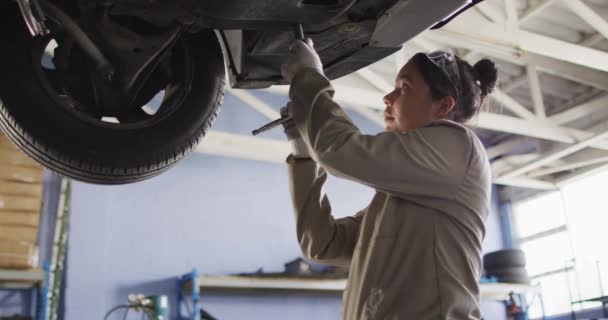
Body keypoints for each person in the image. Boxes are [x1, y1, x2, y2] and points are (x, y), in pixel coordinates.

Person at [280, 39, 497, 320]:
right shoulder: (399, 197)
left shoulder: (460, 146)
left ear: (444, 106)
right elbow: (323, 244)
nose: (388, 97)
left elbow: (340, 150)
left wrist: (308, 77)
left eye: (404, 88)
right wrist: (302, 152)